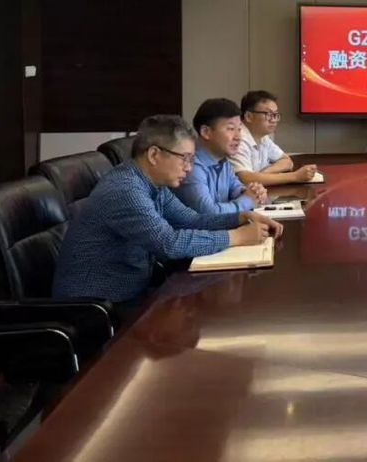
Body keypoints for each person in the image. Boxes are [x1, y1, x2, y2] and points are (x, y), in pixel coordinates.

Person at [53, 115, 284, 304]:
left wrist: (240, 218)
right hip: (98, 307)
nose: (189, 168)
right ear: (154, 155)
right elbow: (169, 244)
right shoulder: (126, 190)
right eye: (185, 159)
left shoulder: (153, 184)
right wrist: (237, 237)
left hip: (135, 292)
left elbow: (191, 220)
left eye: (192, 160)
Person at [175, 98, 268, 215]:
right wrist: (248, 200)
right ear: (206, 132)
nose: (238, 137)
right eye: (231, 129)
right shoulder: (190, 165)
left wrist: (254, 192)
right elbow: (210, 213)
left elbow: (235, 188)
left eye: (239, 129)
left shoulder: (222, 160)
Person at [232, 90, 317, 186]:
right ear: (249, 116)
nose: (274, 120)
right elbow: (246, 179)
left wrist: (262, 175)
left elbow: (287, 161)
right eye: (268, 114)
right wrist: (295, 176)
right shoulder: (237, 140)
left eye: (275, 115)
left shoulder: (263, 137)